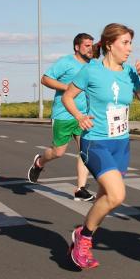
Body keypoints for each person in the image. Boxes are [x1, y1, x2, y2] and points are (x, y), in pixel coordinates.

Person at [62, 23, 140, 269]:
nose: (129, 49)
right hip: (95, 142)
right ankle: (84, 238)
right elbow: (67, 96)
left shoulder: (130, 73)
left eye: (130, 43)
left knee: (106, 198)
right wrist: (79, 117)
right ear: (109, 45)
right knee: (117, 195)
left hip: (121, 145)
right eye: (125, 43)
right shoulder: (91, 71)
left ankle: (82, 237)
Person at [27, 33, 96, 202]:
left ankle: (80, 189)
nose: (90, 48)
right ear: (77, 47)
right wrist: (68, 88)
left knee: (85, 151)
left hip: (84, 116)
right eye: (87, 45)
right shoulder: (66, 62)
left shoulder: (93, 65)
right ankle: (39, 163)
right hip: (63, 114)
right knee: (58, 152)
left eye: (91, 45)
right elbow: (45, 79)